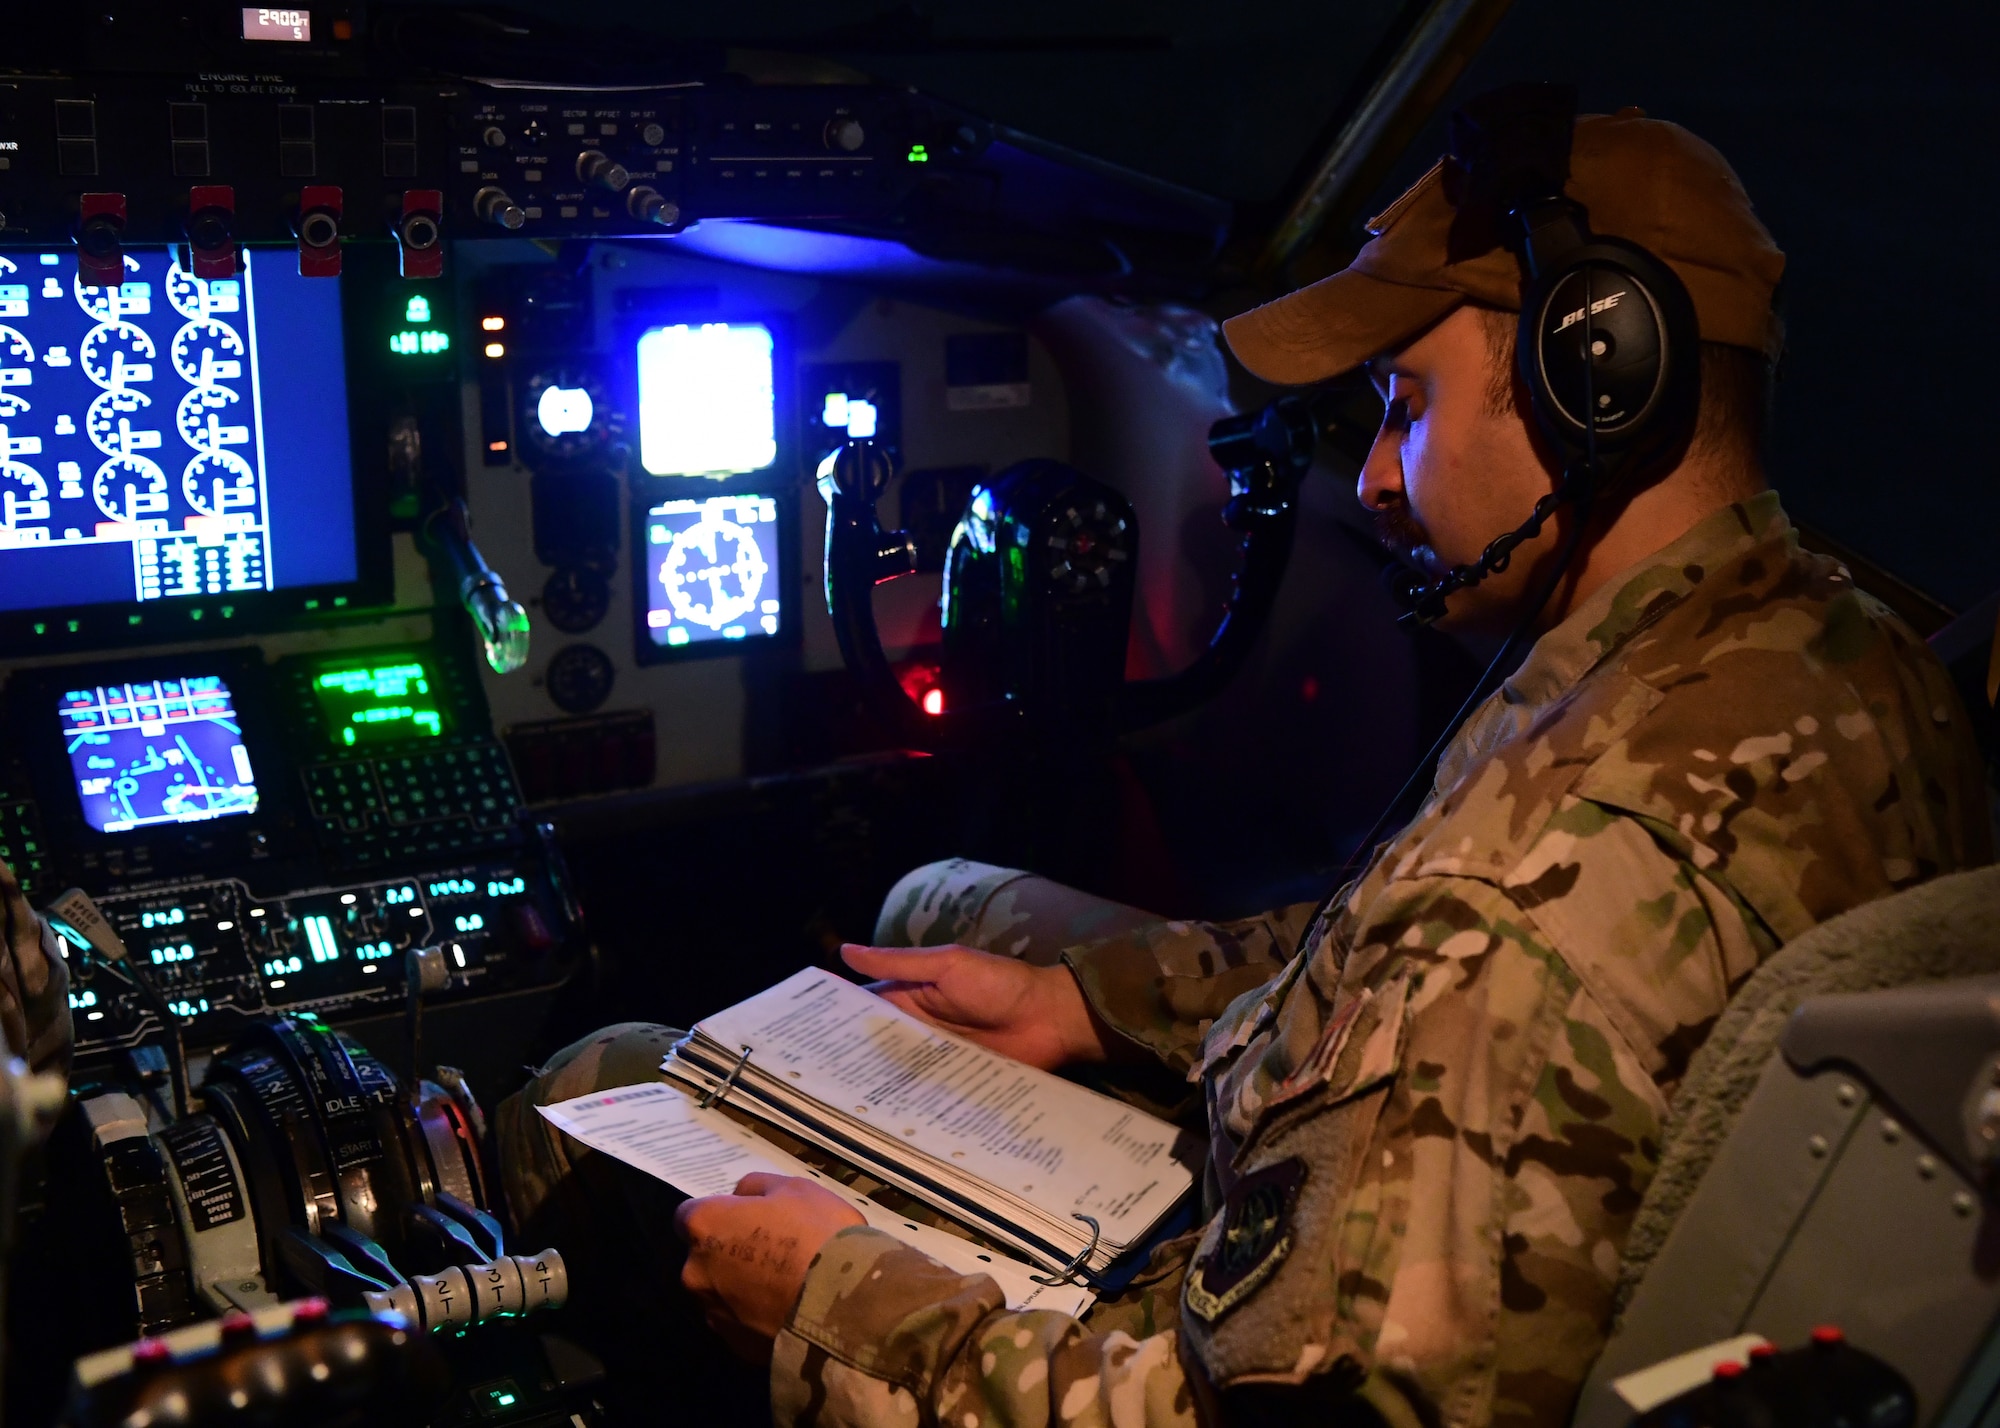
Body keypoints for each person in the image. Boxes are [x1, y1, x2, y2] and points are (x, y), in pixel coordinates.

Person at [497, 103, 1993, 1428]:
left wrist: (834, 1294)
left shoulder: (1515, 914)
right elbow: (1386, 949)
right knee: (948, 901)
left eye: (1405, 404)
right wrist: (1090, 1003)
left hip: (1180, 1342)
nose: (1376, 477)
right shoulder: (1836, 660)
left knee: (611, 1079)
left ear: (1590, 377)